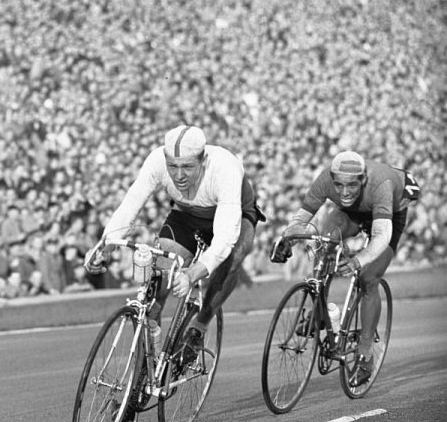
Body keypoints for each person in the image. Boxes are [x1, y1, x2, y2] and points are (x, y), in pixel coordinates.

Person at [85, 124, 265, 360]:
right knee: (159, 276)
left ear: (203, 159)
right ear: (165, 159)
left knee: (231, 261)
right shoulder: (156, 160)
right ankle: (149, 360)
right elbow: (131, 204)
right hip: (185, 215)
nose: (179, 175)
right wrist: (105, 245)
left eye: (188, 167)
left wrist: (192, 274)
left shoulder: (224, 167)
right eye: (173, 166)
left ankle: (199, 327)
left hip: (235, 215)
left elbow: (224, 239)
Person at [271, 151, 420, 386]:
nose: (344, 191)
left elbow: (382, 236)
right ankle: (318, 313)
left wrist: (358, 261)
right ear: (332, 179)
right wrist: (286, 240)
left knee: (369, 278)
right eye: (338, 185)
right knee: (324, 245)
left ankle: (365, 354)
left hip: (387, 216)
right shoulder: (324, 179)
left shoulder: (380, 184)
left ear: (363, 179)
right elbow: (302, 218)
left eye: (351, 185)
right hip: (350, 214)